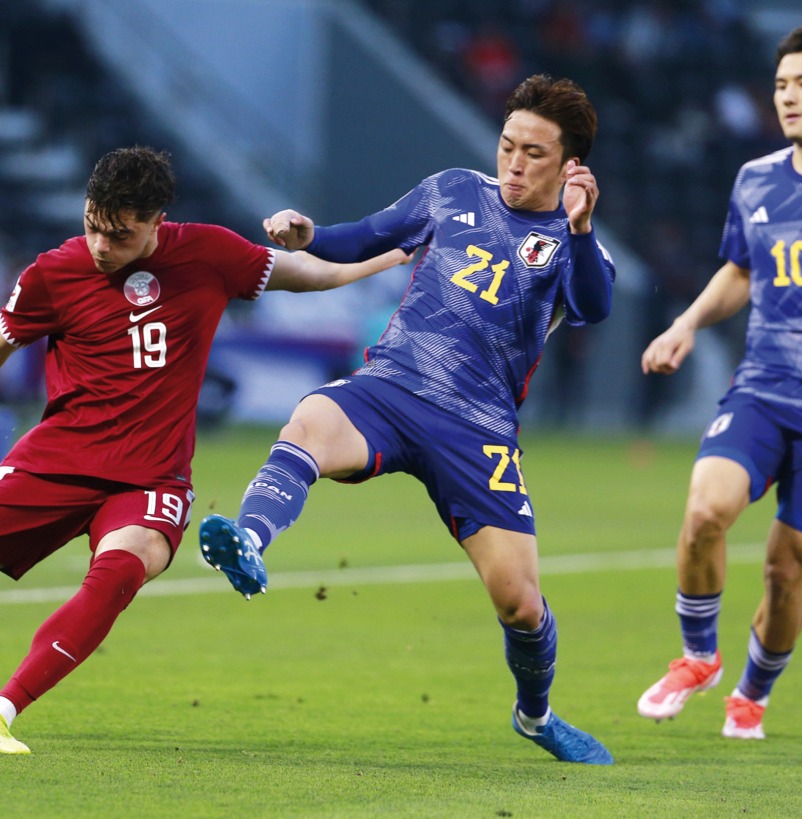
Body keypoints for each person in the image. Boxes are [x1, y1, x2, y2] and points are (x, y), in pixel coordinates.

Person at [0, 145, 409, 754]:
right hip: (56, 464)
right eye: (93, 226)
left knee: (121, 570)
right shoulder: (54, 273)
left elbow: (315, 274)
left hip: (150, 480)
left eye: (120, 235)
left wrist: (402, 247)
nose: (101, 245)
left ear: (158, 223)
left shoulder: (211, 254)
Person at [198, 74, 616, 765]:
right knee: (310, 419)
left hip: (477, 430)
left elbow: (596, 306)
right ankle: (246, 540)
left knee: (519, 603)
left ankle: (536, 715)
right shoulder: (452, 189)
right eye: (508, 144)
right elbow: (362, 237)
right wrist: (309, 234)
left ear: (572, 166)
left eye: (533, 154)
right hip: (392, 385)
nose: (513, 163)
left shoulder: (572, 244)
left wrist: (579, 226)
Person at [637, 28, 802, 740]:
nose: (789, 97)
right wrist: (686, 323)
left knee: (785, 569)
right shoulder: (757, 179)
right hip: (763, 386)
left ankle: (753, 691)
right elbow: (740, 271)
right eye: (780, 86)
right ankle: (698, 656)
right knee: (705, 510)